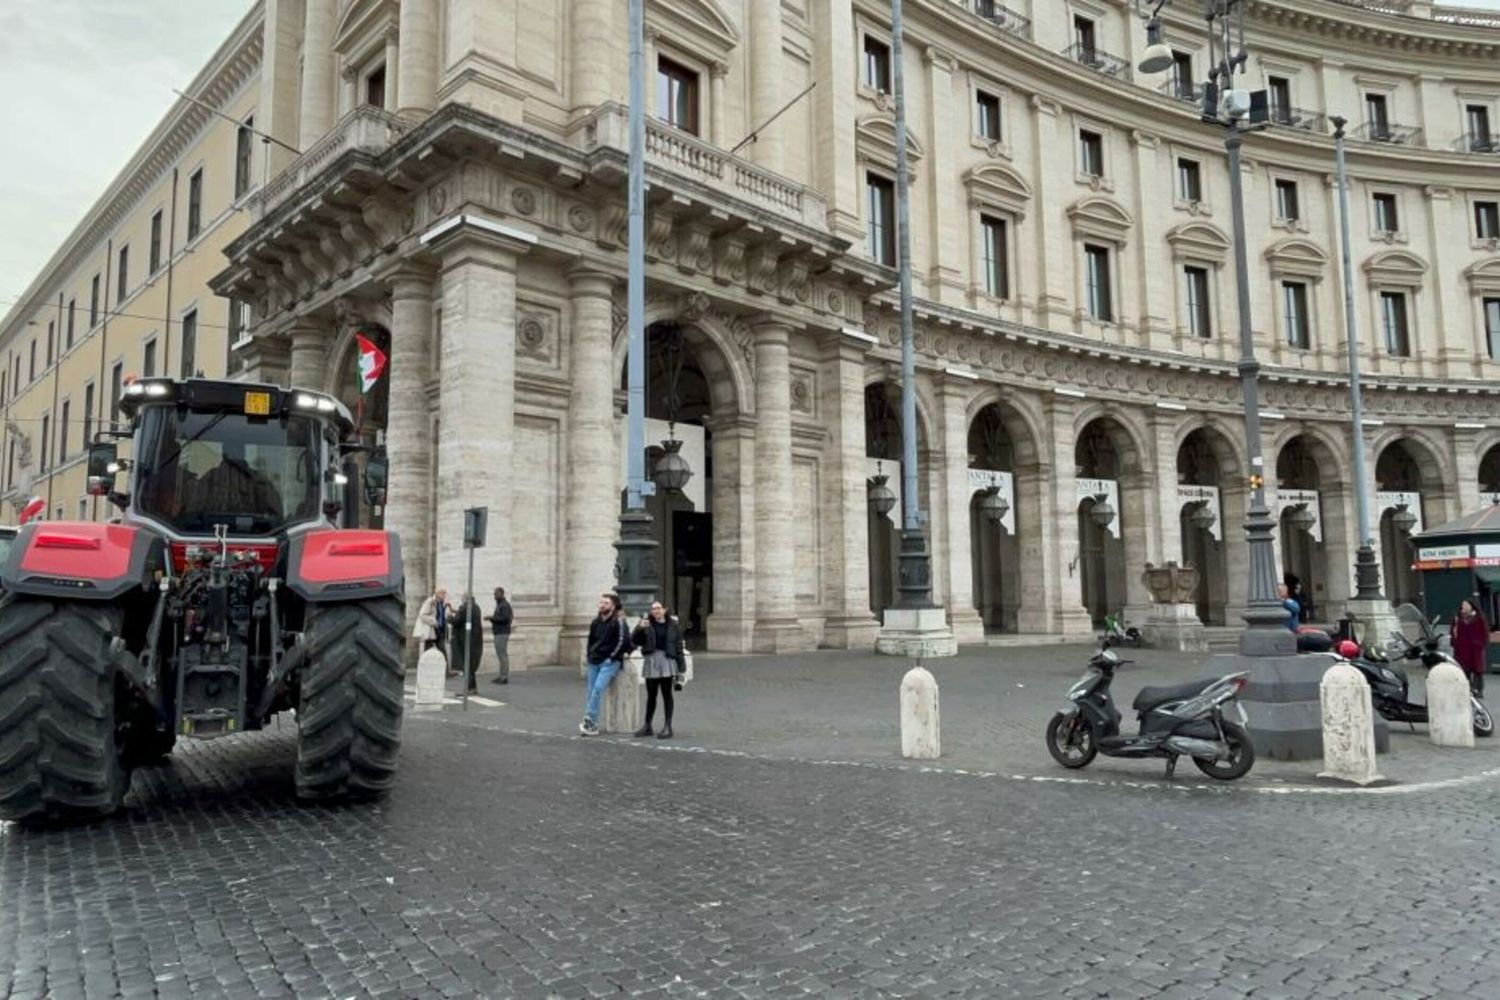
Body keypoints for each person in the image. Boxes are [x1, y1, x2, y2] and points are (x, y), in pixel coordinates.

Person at [632, 601, 684, 740]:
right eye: (653, 609)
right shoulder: (647, 624)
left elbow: (678, 646)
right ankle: (647, 725)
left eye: (658, 608)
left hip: (667, 660)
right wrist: (639, 628)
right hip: (652, 660)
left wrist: (681, 668)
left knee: (667, 694)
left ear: (665, 609)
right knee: (651, 695)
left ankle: (668, 726)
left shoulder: (673, 625)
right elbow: (635, 640)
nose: (655, 611)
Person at [581, 593, 629, 736]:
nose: (602, 605)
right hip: (594, 661)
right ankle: (592, 723)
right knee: (590, 692)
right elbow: (591, 640)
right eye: (601, 603)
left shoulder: (619, 622)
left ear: (613, 606)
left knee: (597, 689)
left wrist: (611, 657)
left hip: (609, 662)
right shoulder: (596, 622)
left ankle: (589, 721)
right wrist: (589, 655)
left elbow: (623, 641)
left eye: (606, 603)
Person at [1450, 598, 1490, 699]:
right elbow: (1453, 631)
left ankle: (1478, 690)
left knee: (1477, 670)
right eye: (1463, 605)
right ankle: (1467, 689)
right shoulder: (1458, 617)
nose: (1464, 607)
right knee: (1464, 670)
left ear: (1471, 606)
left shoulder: (1479, 617)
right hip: (1462, 648)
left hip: (1475, 648)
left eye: (1466, 604)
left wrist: (1481, 643)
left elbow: (1484, 631)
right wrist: (1454, 642)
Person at [416, 587, 453, 670]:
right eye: (443, 593)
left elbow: (441, 614)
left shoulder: (441, 603)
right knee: (427, 652)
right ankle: (424, 670)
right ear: (438, 594)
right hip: (431, 631)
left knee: (443, 650)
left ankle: (446, 671)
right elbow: (422, 615)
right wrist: (434, 622)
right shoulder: (430, 602)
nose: (445, 595)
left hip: (439, 631)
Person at [484, 586, 514, 685]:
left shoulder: (504, 605)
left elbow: (505, 619)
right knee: (500, 654)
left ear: (501, 594)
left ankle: (504, 676)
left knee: (502, 654)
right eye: (494, 594)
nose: (494, 596)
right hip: (499, 632)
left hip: (502, 632)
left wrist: (491, 618)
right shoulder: (501, 605)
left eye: (496, 594)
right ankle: (502, 675)